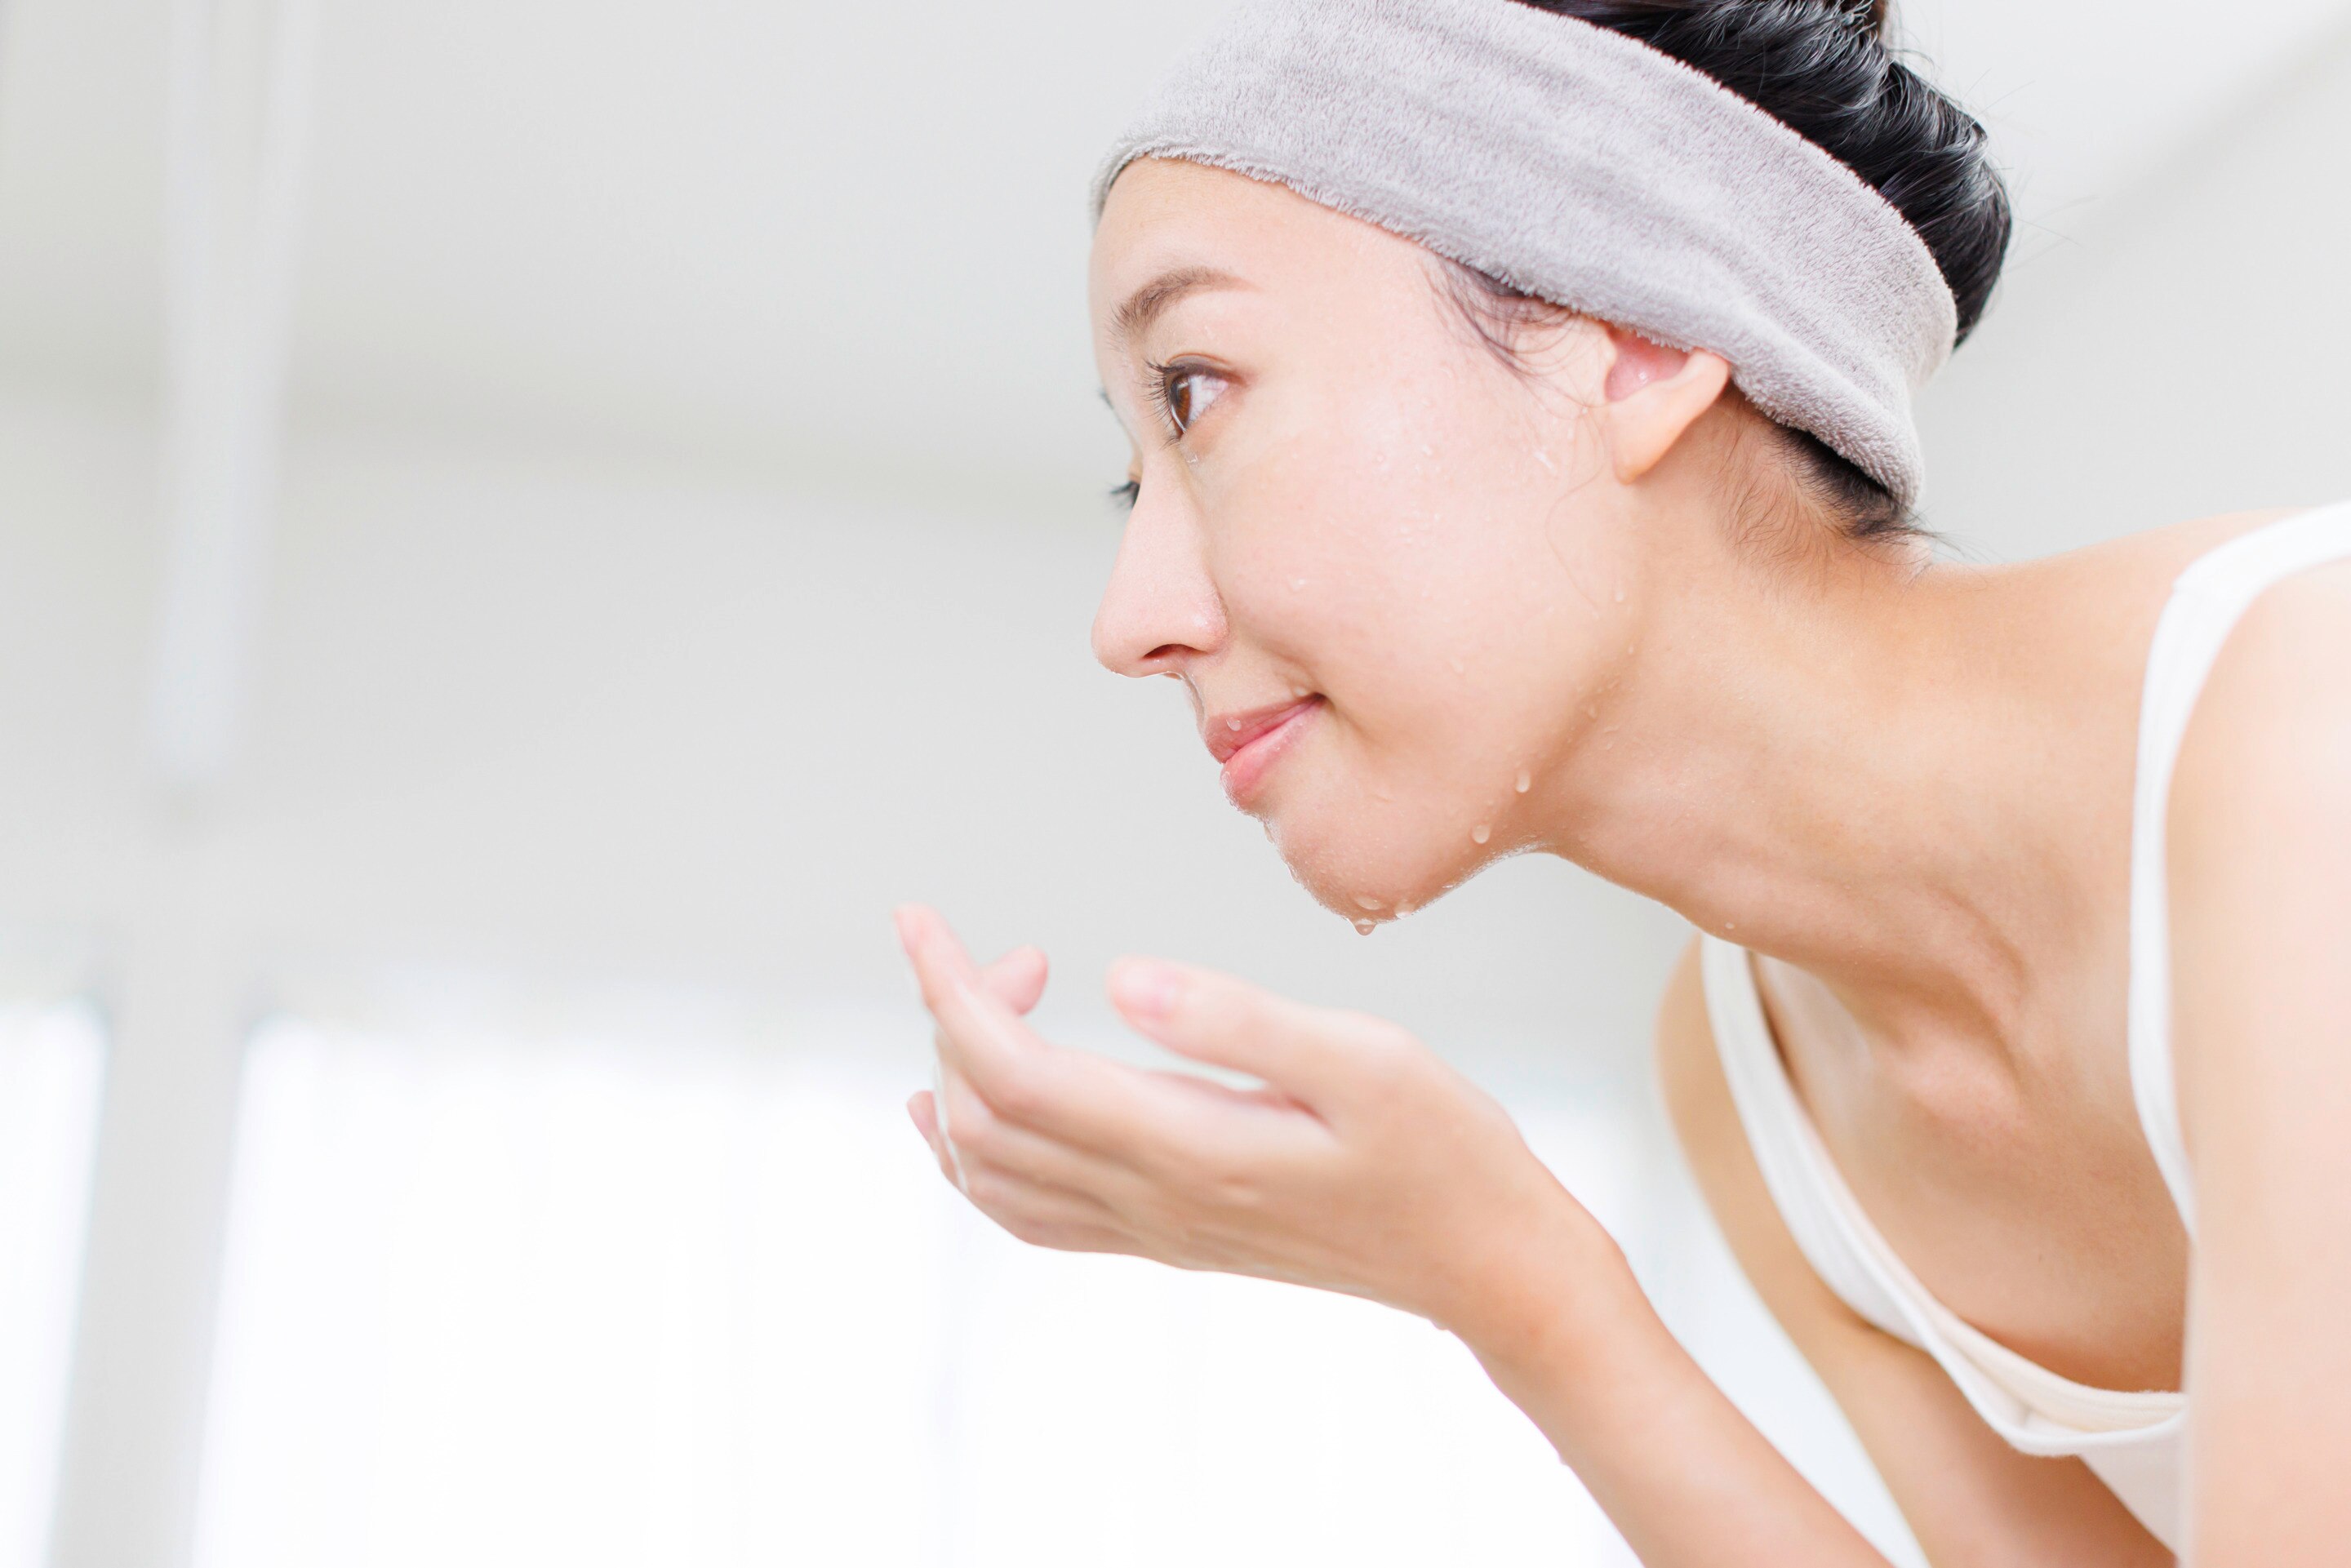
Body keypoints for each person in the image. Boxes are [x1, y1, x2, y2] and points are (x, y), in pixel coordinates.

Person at [892, 0, 2351, 1559]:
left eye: (1196, 393)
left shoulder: (2306, 730)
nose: (1132, 620)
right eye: (1136, 468)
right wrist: (1509, 1278)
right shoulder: (1752, 1070)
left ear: (1636, 349)